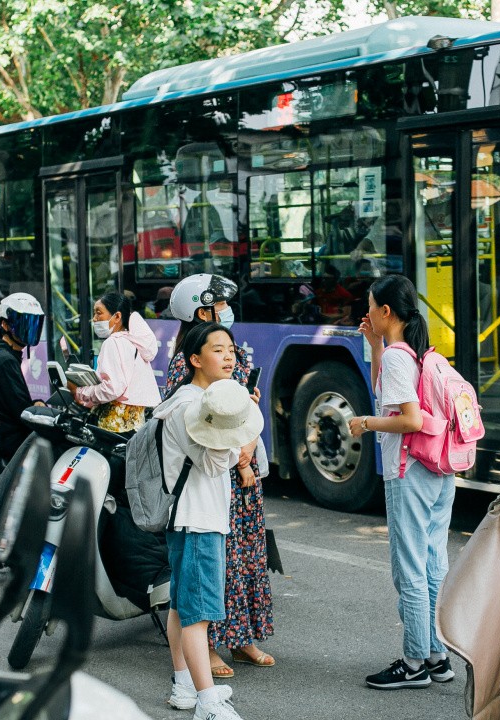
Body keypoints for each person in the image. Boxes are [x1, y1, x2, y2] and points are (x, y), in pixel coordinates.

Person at [348, 274, 457, 690]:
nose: (368, 312)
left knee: (409, 571)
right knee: (432, 565)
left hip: (407, 469)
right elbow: (387, 391)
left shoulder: (398, 357)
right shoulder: (414, 352)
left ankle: (413, 664)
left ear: (386, 311)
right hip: (437, 468)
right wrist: (375, 346)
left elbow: (407, 418)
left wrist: (364, 424)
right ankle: (436, 655)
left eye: (371, 305)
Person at [166, 274, 276, 679]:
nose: (227, 354)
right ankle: (207, 646)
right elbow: (199, 430)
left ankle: (243, 636)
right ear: (200, 311)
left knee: (248, 557)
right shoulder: (187, 362)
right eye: (218, 305)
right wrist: (242, 460)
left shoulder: (232, 354)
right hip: (219, 477)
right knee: (217, 567)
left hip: (242, 473)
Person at [153, 322, 263, 720]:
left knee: (182, 608)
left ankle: (184, 686)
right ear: (195, 359)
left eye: (231, 348)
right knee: (198, 614)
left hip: (193, 517)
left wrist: (237, 416)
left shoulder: (197, 399)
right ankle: (207, 701)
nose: (229, 355)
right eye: (218, 349)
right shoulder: (189, 406)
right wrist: (241, 431)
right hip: (197, 519)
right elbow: (216, 462)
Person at [71, 292, 160, 434]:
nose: (94, 319)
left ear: (117, 316)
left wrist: (80, 392)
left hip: (113, 424)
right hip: (134, 425)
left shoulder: (113, 342)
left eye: (99, 313)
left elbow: (112, 388)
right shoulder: (133, 342)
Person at [0, 293, 45, 465]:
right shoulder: (5, 362)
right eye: (23, 324)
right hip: (12, 443)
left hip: (2, 438)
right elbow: (23, 413)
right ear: (5, 324)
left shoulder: (0, 356)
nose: (29, 330)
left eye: (33, 324)